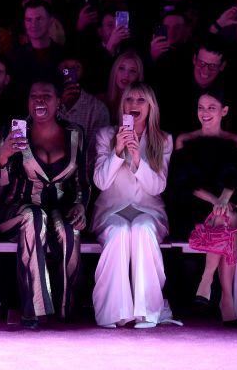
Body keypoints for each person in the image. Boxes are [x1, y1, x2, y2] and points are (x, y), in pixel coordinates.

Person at [0, 80, 89, 326]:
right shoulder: (15, 132)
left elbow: (82, 182)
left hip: (58, 209)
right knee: (34, 218)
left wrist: (80, 205)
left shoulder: (75, 135)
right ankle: (33, 308)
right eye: (34, 96)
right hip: (16, 211)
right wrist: (2, 156)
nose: (39, 101)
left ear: (59, 103)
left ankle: (65, 306)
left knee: (68, 227)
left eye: (47, 96)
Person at [91, 82, 173, 328]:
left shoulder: (163, 140)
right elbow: (101, 182)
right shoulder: (106, 135)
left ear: (151, 107)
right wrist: (117, 151)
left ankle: (147, 310)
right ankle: (114, 312)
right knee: (119, 232)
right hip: (111, 210)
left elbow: (158, 187)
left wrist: (138, 159)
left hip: (148, 211)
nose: (133, 105)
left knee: (142, 229)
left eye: (140, 101)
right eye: (129, 100)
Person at [169, 90, 237, 327]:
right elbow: (184, 183)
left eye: (211, 107)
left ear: (224, 111)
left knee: (226, 218)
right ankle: (226, 299)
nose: (204, 113)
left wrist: (224, 197)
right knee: (227, 219)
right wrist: (217, 201)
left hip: (225, 205)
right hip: (193, 207)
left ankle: (207, 279)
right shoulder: (185, 139)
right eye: (200, 107)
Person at [57, 56, 110, 180]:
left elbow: (95, 154)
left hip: (80, 179)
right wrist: (58, 105)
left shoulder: (97, 109)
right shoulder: (48, 103)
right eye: (65, 68)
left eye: (76, 68)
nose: (70, 72)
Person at [10, 0, 65, 95]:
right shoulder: (14, 57)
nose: (33, 24)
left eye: (39, 19)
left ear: (50, 21)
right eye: (29, 20)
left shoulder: (65, 55)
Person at [98, 50, 144, 121]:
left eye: (132, 71)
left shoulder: (142, 106)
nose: (126, 75)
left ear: (138, 76)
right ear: (115, 71)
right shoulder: (101, 101)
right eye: (121, 68)